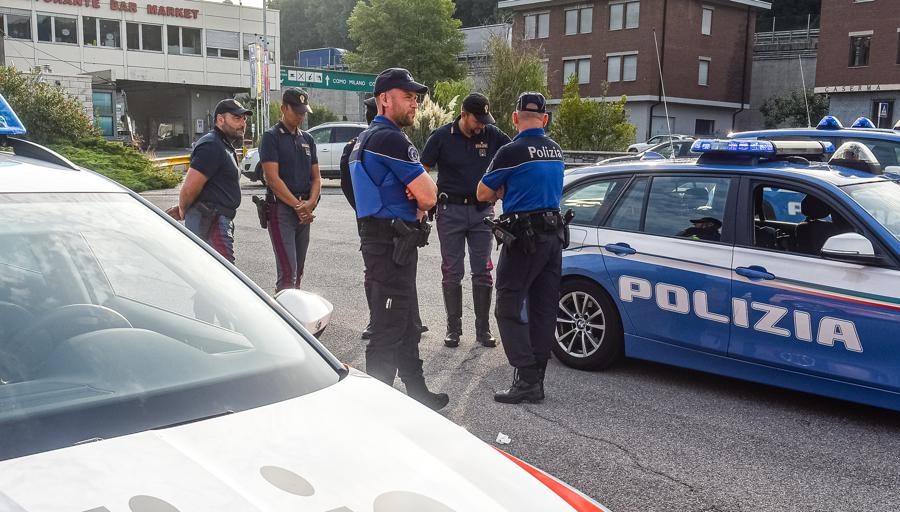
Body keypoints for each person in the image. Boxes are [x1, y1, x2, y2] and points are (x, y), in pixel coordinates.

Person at [349, 68, 448, 410]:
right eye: (407, 97)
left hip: (386, 243)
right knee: (388, 329)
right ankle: (378, 410)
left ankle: (417, 393)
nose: (414, 103)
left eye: (415, 98)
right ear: (384, 99)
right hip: (391, 244)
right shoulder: (391, 139)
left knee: (406, 324)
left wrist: (415, 195)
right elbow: (430, 195)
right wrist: (419, 196)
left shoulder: (364, 138)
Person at [476, 92, 566, 404]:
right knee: (543, 309)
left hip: (525, 239)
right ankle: (536, 379)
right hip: (554, 238)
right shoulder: (555, 150)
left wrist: (504, 189)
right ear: (545, 119)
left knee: (507, 306)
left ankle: (526, 377)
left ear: (515, 118)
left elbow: (482, 192)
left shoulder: (510, 151)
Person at [421, 93, 511, 349]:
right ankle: (453, 329)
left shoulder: (492, 135)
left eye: (485, 120)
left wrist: (502, 189)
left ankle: (483, 330)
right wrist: (425, 203)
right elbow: (422, 171)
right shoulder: (441, 136)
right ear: (463, 115)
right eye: (477, 120)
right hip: (450, 211)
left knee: (483, 271)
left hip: (482, 212)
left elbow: (514, 155)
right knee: (452, 271)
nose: (482, 125)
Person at [341, 99, 430, 340]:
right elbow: (349, 185)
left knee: (398, 276)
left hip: (380, 220)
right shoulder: (380, 142)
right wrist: (369, 209)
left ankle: (411, 321)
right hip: (379, 222)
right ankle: (378, 320)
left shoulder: (365, 142)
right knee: (379, 277)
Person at [167, 98, 250, 263]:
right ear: (220, 119)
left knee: (214, 273)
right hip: (211, 222)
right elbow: (190, 187)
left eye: (244, 119)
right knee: (223, 273)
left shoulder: (223, 144)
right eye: (236, 118)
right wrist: (183, 210)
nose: (242, 123)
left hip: (215, 221)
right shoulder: (212, 145)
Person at [259, 88, 321, 292]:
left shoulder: (307, 139)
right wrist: (297, 206)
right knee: (288, 272)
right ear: (284, 108)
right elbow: (272, 179)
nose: (301, 116)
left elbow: (316, 178)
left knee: (299, 271)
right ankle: (282, 310)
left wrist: (310, 203)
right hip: (282, 210)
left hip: (304, 210)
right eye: (297, 111)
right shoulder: (271, 137)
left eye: (303, 112)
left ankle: (294, 309)